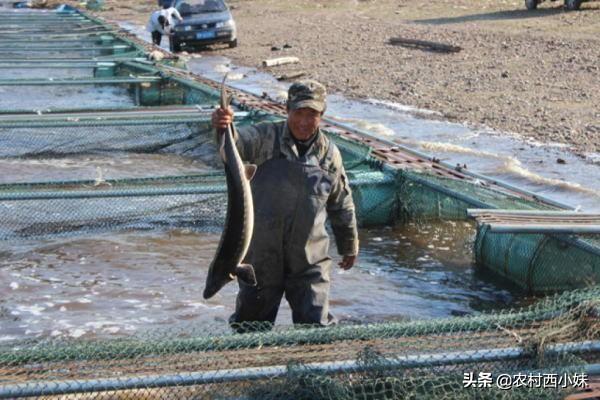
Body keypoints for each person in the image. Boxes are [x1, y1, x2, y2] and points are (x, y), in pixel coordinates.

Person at [211, 80, 359, 331]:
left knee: (315, 330)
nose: (303, 121)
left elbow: (342, 203)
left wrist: (349, 245)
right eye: (298, 113)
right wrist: (223, 126)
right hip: (261, 259)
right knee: (249, 330)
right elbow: (233, 146)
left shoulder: (329, 154)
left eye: (311, 115)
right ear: (287, 110)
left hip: (309, 260)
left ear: (322, 115)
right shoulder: (265, 137)